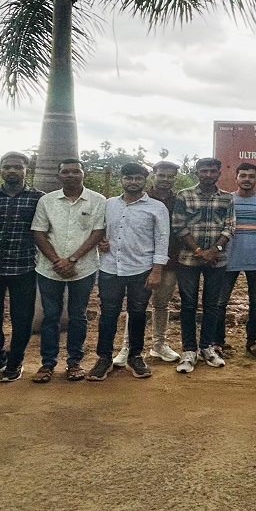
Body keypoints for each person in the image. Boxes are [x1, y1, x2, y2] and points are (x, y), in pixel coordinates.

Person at [88, 163, 169, 381]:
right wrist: (101, 243)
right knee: (108, 314)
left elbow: (162, 240)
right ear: (121, 179)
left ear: (145, 180)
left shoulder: (157, 207)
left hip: (141, 269)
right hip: (110, 268)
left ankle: (135, 357)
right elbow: (98, 231)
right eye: (128, 178)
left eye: (137, 178)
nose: (133, 182)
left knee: (138, 313)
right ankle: (103, 358)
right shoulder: (108, 205)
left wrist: (157, 271)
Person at [31, 158, 106, 383]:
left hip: (83, 268)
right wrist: (57, 260)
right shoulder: (47, 201)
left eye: (75, 171)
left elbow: (97, 233)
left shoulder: (97, 200)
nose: (71, 175)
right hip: (49, 268)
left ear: (84, 173)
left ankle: (74, 362)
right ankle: (47, 364)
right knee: (50, 316)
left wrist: (72, 260)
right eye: (66, 172)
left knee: (78, 315)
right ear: (59, 175)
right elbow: (39, 233)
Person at [0, 151, 44, 382]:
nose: (12, 171)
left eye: (18, 167)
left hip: (23, 266)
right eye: (7, 167)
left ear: (26, 170)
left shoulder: (38, 199)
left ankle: (15, 360)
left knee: (21, 317)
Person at [112, 160, 185, 366]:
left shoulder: (179, 200)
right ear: (153, 175)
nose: (166, 180)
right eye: (162, 175)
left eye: (170, 176)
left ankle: (159, 345)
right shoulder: (141, 197)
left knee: (161, 304)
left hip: (169, 260)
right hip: (139, 262)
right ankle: (127, 347)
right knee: (136, 306)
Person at [172, 157, 235, 373]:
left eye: (212, 171)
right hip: (188, 260)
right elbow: (179, 226)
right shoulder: (184, 195)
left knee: (212, 305)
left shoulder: (227, 198)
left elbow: (230, 227)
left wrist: (214, 251)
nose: (208, 174)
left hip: (217, 260)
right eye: (203, 171)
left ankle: (207, 347)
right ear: (196, 173)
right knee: (188, 305)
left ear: (219, 173)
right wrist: (200, 251)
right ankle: (189, 350)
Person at [225, 162, 256, 357]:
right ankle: (218, 341)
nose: (247, 179)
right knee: (221, 302)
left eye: (251, 176)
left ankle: (253, 341)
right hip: (229, 258)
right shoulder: (226, 200)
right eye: (243, 175)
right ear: (236, 178)